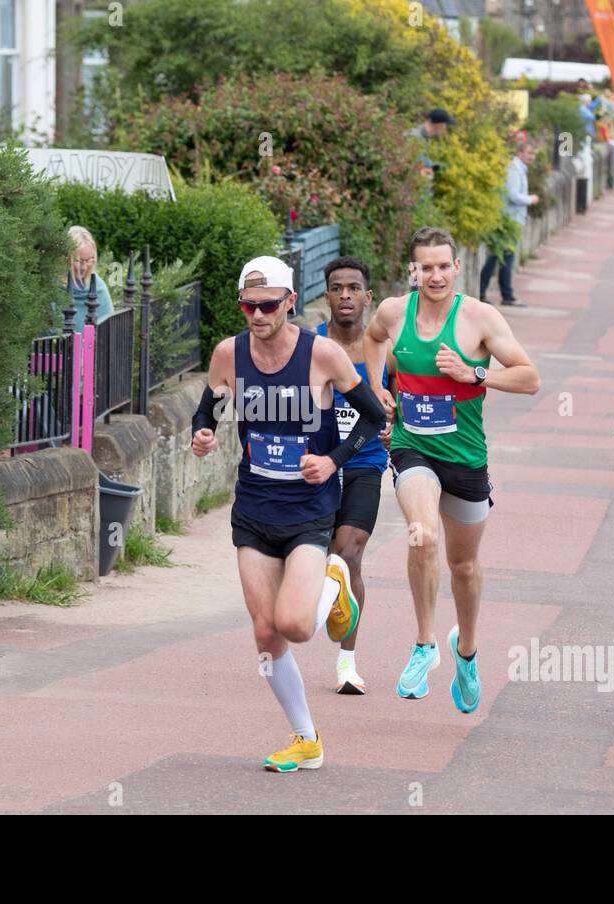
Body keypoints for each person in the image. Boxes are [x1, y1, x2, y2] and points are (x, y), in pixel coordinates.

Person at [191, 255, 384, 772]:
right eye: (249, 305)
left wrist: (333, 459)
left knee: (296, 626)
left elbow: (374, 415)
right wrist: (203, 431)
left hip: (307, 509)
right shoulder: (229, 354)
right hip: (254, 508)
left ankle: (335, 582)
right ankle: (306, 738)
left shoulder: (321, 356)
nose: (257, 314)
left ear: (290, 302)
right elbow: (207, 405)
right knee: (265, 635)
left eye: (268, 305)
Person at [364, 227, 540, 711]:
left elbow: (529, 378)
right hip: (411, 445)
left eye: (443, 266)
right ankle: (424, 645)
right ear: (413, 270)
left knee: (463, 565)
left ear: (457, 268)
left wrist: (474, 373)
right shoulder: (395, 312)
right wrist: (379, 386)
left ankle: (466, 652)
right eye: (425, 267)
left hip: (465, 456)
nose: (435, 275)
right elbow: (373, 338)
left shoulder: (480, 318)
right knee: (422, 533)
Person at [314, 256, 392, 695]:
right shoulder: (311, 347)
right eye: (337, 288)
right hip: (320, 465)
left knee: (349, 555)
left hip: (364, 463)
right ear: (326, 295)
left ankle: (347, 662)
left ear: (368, 297)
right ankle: (327, 603)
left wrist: (395, 418)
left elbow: (403, 401)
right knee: (322, 557)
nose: (345, 295)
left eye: (353, 288)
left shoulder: (384, 351)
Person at [479, 140, 539, 308]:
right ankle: (504, 295)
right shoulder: (514, 169)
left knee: (500, 257)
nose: (531, 157)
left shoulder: (519, 168)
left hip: (513, 219)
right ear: (520, 152)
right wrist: (530, 199)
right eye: (528, 153)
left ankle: (490, 293)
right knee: (502, 258)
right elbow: (512, 195)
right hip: (509, 220)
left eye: (533, 154)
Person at [66, 225, 114, 332]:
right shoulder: (51, 287)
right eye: (79, 260)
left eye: (88, 260)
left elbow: (109, 332)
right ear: (66, 257)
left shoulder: (98, 287)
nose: (84, 267)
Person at [407, 107, 456, 181]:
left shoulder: (423, 137)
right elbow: (413, 170)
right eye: (445, 125)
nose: (445, 128)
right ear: (440, 125)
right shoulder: (415, 139)